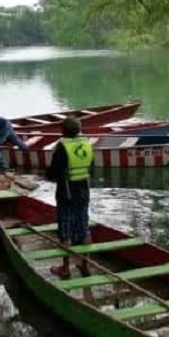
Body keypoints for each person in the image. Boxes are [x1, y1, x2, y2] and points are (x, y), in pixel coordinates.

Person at [45, 117, 95, 279]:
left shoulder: (62, 147)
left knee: (65, 232)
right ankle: (85, 264)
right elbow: (90, 166)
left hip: (66, 194)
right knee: (84, 227)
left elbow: (53, 173)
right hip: (84, 192)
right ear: (79, 130)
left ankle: (65, 268)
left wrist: (47, 174)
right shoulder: (87, 144)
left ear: (63, 130)